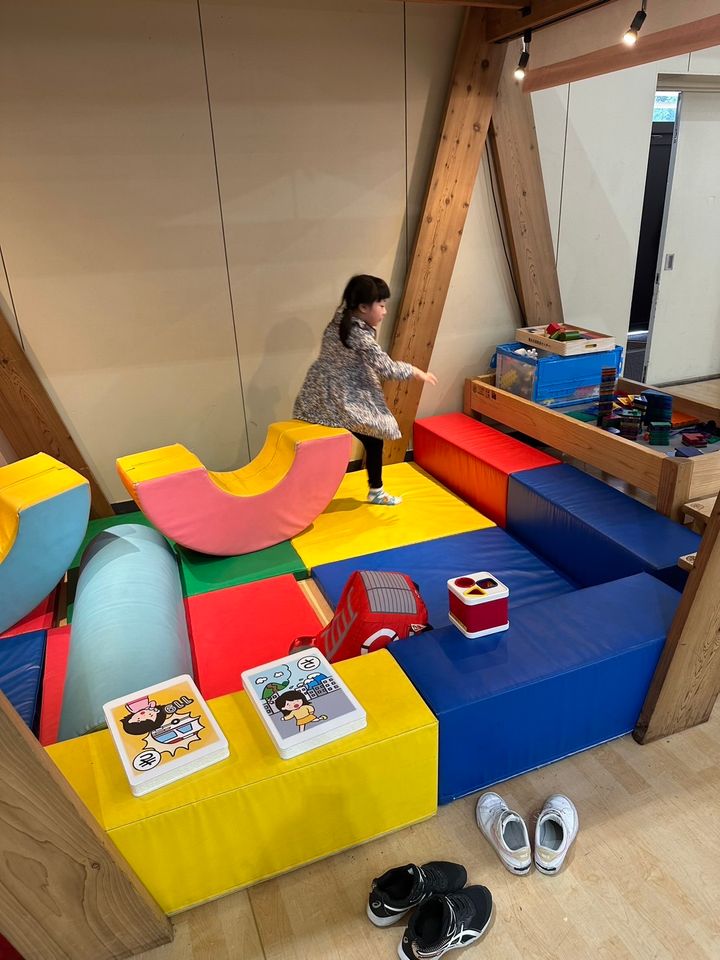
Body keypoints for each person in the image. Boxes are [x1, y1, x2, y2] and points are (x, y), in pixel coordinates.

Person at [293, 275, 437, 505]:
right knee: (375, 437)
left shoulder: (340, 321)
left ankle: (372, 489)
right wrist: (415, 371)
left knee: (367, 440)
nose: (385, 311)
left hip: (320, 392)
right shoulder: (358, 334)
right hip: (341, 398)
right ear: (363, 307)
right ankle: (375, 491)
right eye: (381, 305)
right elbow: (386, 368)